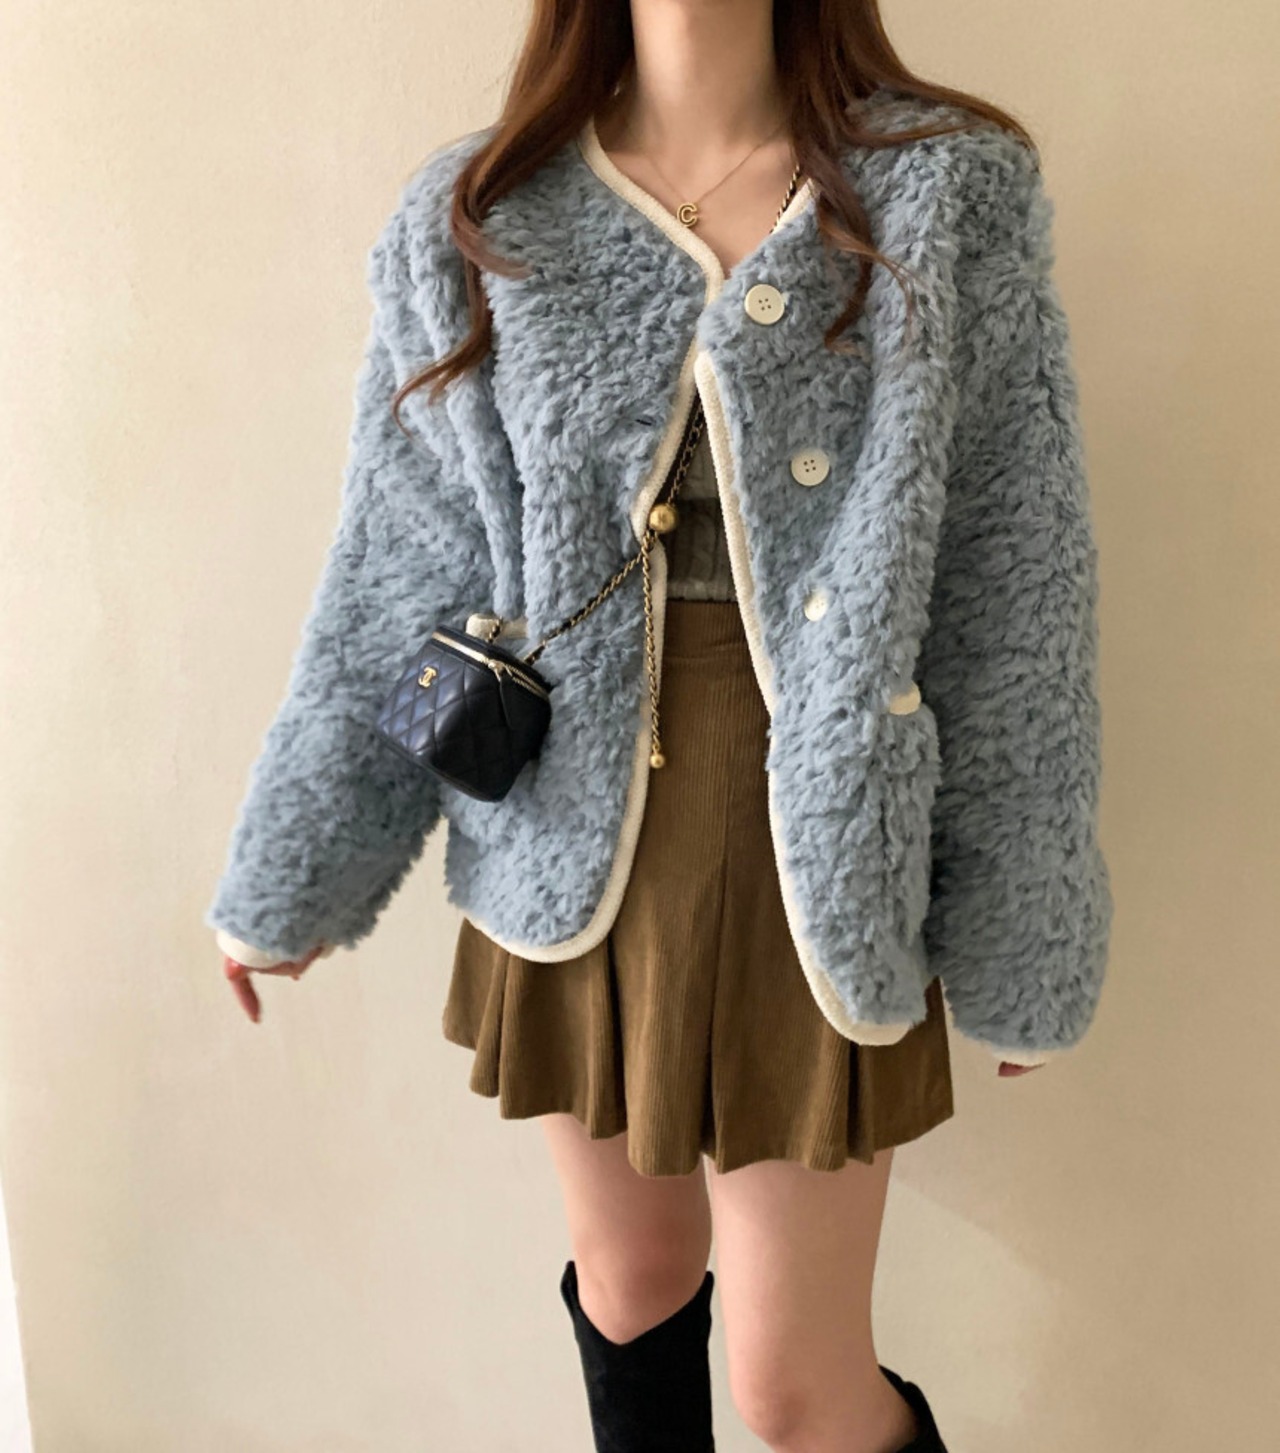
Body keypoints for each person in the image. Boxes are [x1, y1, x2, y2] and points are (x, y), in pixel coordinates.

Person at [205, 1, 1114, 1447]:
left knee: (793, 1386)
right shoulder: (480, 216)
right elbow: (401, 571)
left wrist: (1023, 930)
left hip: (817, 844)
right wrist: (292, 876)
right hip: (568, 838)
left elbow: (1014, 584)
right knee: (632, 1285)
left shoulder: (947, 194)